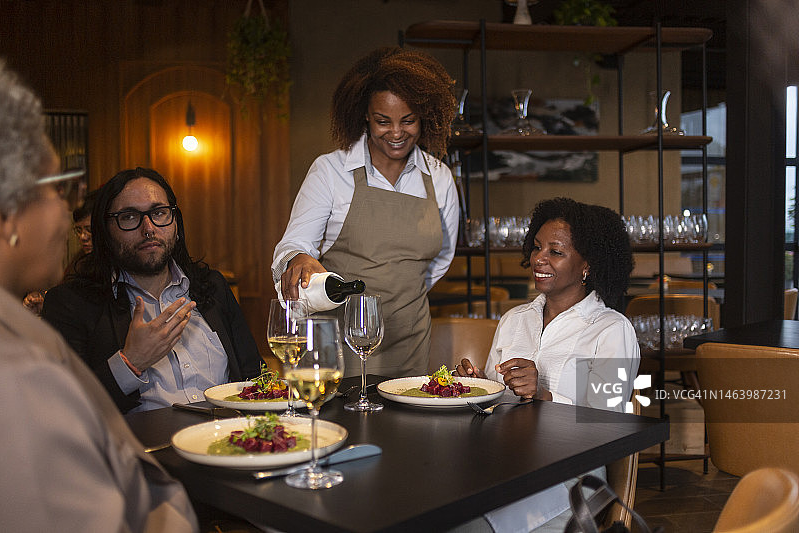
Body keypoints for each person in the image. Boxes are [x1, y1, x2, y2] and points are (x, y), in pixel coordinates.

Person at [0, 59, 197, 531]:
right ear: (9, 216)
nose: (70, 216)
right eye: (59, 190)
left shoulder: (18, 328)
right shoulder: (16, 370)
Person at [454, 197, 640, 532]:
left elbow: (607, 429)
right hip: (506, 462)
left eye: (555, 251)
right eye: (537, 247)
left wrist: (543, 395)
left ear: (587, 264)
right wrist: (477, 388)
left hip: (572, 475)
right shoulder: (514, 319)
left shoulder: (611, 330)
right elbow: (495, 408)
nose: (538, 258)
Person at [272, 46, 460, 377]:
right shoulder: (331, 171)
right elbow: (293, 245)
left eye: (408, 120)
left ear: (423, 117)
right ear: (365, 116)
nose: (397, 133)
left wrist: (401, 291)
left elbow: (441, 260)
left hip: (410, 341)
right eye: (383, 121)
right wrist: (297, 258)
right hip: (338, 341)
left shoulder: (439, 177)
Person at [42, 167, 262, 413]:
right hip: (143, 438)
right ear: (105, 232)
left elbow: (255, 376)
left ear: (175, 223)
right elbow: (63, 407)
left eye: (159, 213)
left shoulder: (212, 286)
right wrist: (131, 362)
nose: (148, 228)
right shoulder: (71, 303)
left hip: (229, 434)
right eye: (129, 217)